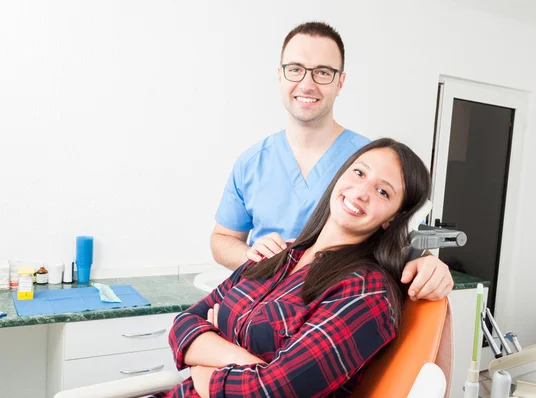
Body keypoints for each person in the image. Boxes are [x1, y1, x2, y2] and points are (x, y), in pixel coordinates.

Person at [154, 138, 431, 398]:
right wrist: (241, 361)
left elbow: (271, 392)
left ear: (393, 218)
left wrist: (202, 364)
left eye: (382, 191)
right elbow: (184, 324)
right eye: (359, 173)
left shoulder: (365, 293)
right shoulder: (280, 253)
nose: (361, 192)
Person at [211, 22, 453, 301]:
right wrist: (251, 255)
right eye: (295, 69)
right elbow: (221, 239)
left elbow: (404, 244)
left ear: (340, 82)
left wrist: (430, 264)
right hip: (259, 307)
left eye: (323, 72)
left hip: (337, 314)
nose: (306, 83)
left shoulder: (371, 165)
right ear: (280, 75)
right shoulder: (251, 162)